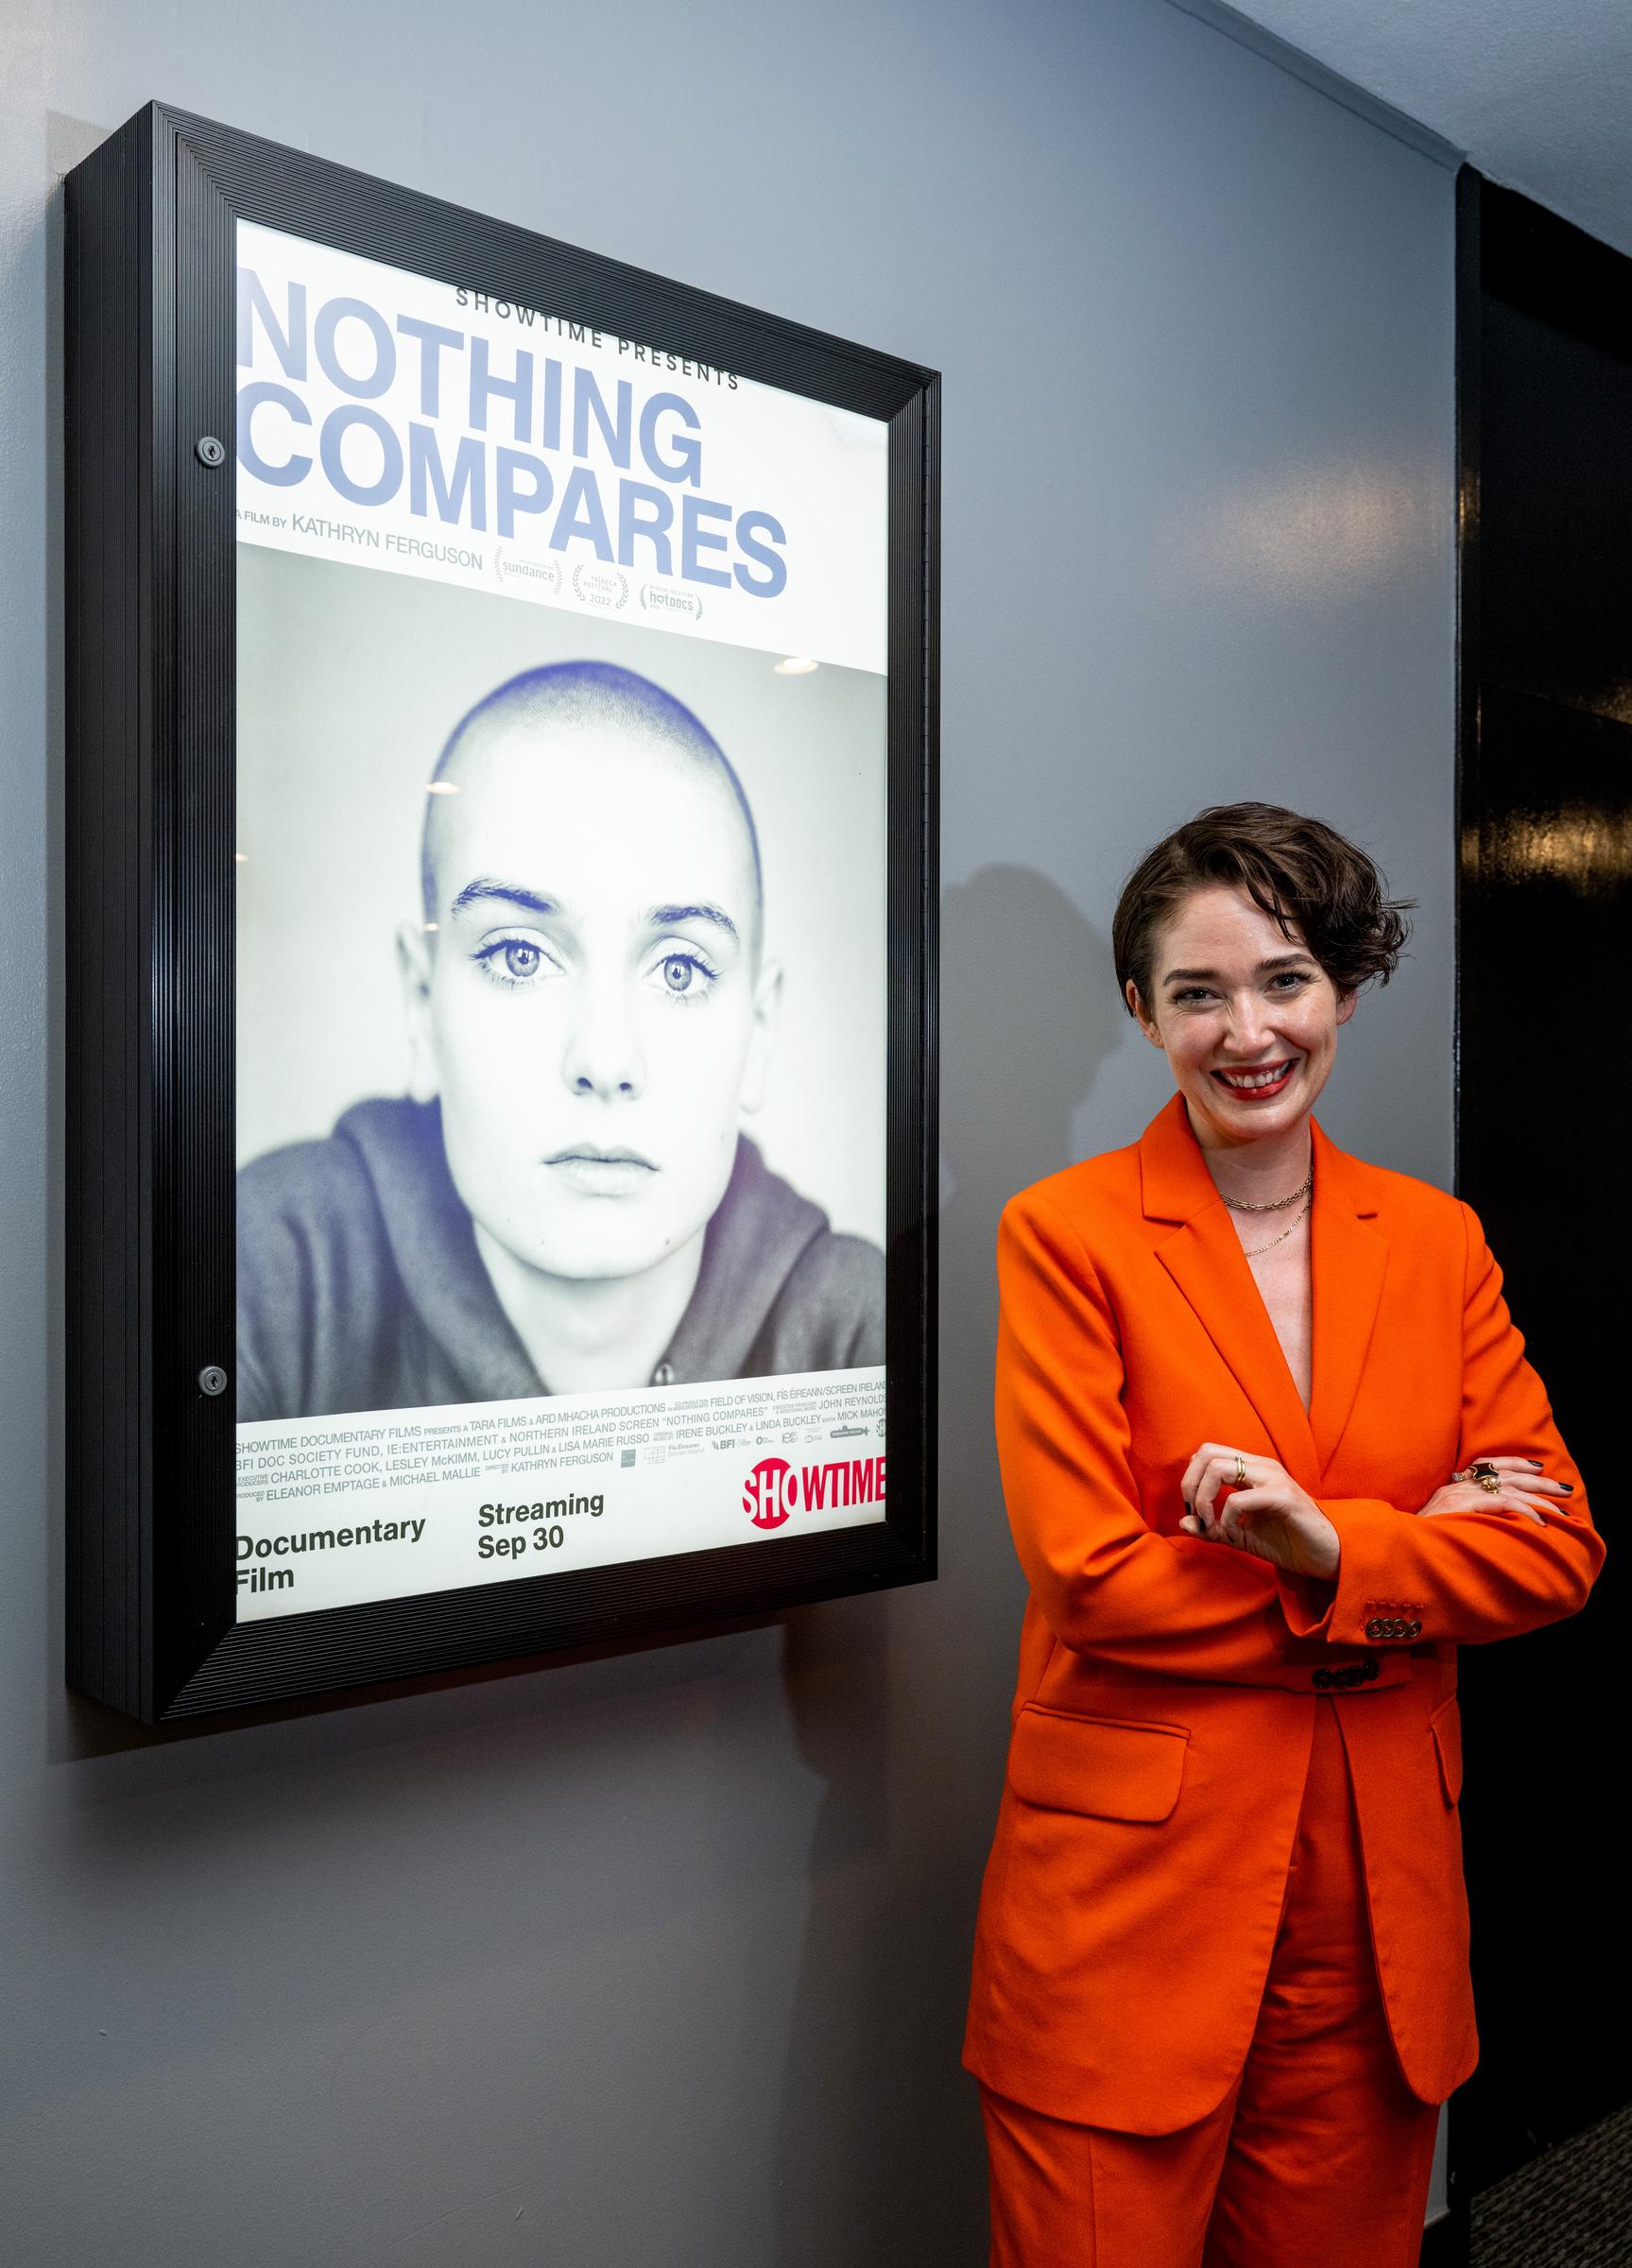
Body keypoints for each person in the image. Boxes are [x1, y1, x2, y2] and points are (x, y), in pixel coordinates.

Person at [962, 802, 1603, 2266]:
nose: (1245, 1030)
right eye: (1196, 992)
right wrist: (1393, 1557)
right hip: (1131, 1913)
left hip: (1372, 1919)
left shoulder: (1433, 1242)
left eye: (1283, 981)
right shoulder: (1066, 1236)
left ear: (1343, 995)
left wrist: (1319, 1546)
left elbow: (1554, 1551)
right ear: (1138, 1012)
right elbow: (1091, 1578)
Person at [236, 660, 883, 1421]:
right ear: (421, 999)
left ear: (759, 1028)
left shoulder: (855, 1330)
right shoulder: (264, 1265)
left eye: (679, 970)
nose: (604, 1063)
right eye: (520, 957)